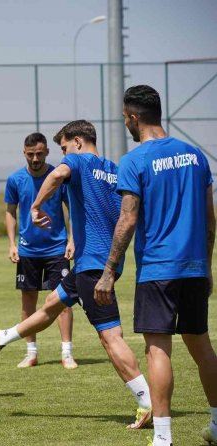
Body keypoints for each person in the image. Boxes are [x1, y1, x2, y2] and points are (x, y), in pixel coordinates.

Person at [0, 120, 152, 429]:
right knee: (51, 304)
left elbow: (58, 173)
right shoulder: (114, 169)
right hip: (97, 263)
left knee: (110, 337)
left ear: (76, 142)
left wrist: (35, 206)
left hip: (93, 268)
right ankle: (3, 337)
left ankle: (146, 401)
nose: (61, 155)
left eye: (62, 148)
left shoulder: (74, 161)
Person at [94, 85, 217, 446]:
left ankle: (163, 437)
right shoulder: (195, 156)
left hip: (159, 269)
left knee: (158, 348)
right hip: (194, 268)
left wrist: (109, 271)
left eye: (125, 118)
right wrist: (206, 268)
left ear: (133, 117)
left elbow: (127, 219)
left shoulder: (135, 160)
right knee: (202, 346)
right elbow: (210, 221)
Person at [4, 132, 76, 369]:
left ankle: (66, 353)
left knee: (62, 301)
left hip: (57, 248)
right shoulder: (15, 180)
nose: (35, 159)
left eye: (39, 154)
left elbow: (73, 210)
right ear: (24, 153)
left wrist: (72, 240)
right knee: (28, 303)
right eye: (30, 154)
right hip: (28, 251)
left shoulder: (58, 177)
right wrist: (12, 244)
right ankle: (31, 353)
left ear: (47, 152)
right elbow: (10, 212)